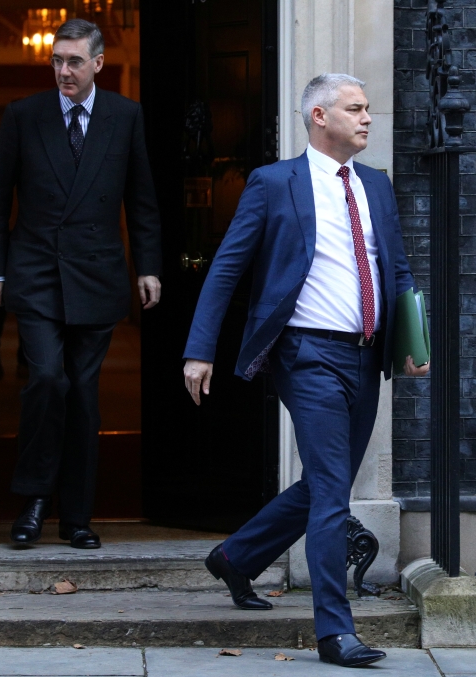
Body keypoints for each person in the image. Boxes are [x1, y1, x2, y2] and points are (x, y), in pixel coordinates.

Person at [182, 73, 427, 668]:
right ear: (319, 116)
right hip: (305, 353)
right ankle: (334, 631)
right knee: (331, 495)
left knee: (328, 481)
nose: (367, 118)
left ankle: (238, 557)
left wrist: (411, 340)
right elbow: (227, 268)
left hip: (367, 353)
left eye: (368, 109)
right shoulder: (274, 183)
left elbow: (394, 269)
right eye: (355, 108)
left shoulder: (375, 185)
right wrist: (200, 348)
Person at [0, 19, 162, 549]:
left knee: (83, 394)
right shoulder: (23, 114)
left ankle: (77, 515)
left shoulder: (125, 117)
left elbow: (141, 199)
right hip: (34, 273)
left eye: (74, 61)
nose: (63, 71)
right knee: (48, 381)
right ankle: (35, 498)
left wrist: (147, 267)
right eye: (57, 60)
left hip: (98, 274)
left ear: (98, 64)